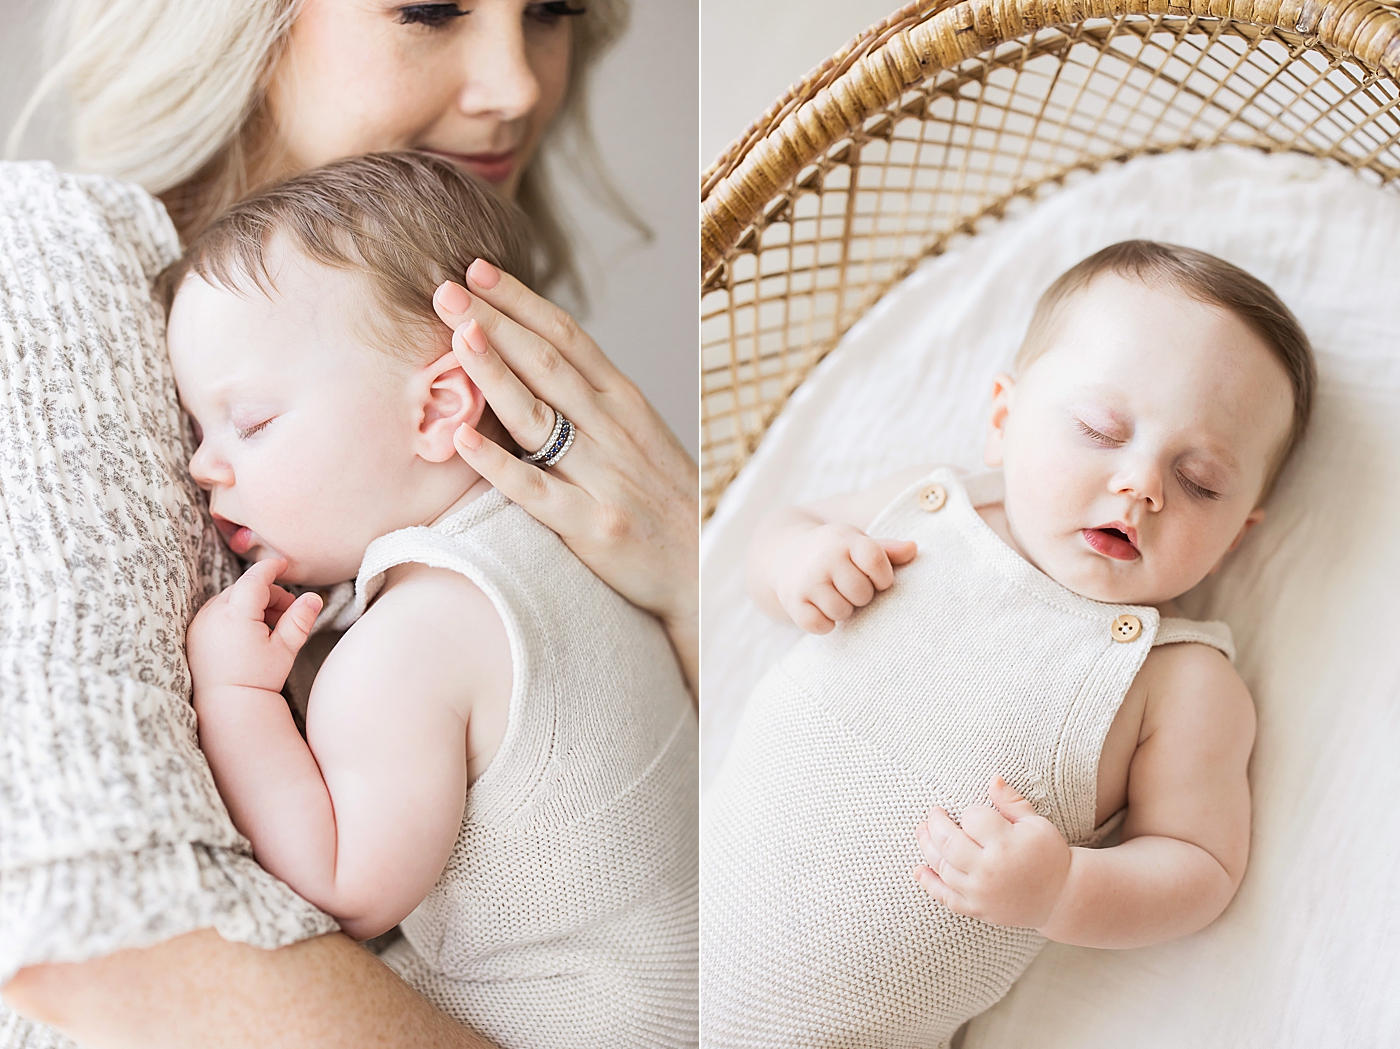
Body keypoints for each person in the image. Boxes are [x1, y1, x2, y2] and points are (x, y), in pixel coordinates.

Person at [0, 2, 696, 1046]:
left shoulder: (466, 522)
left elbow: (350, 883)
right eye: (430, 9)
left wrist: (692, 572)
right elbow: (101, 939)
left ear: (436, 403)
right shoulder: (47, 271)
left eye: (550, 9)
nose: (515, 86)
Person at [700, 241, 1314, 1047]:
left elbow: (1199, 866)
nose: (1142, 484)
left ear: (1237, 538)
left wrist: (1063, 889)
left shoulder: (1178, 681)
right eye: (1100, 429)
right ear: (1002, 420)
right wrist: (796, 564)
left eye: (1200, 480)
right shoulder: (928, 509)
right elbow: (779, 536)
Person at [171, 150, 697, 1048]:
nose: (201, 466)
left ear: (436, 409)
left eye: (251, 422)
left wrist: (235, 696)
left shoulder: (408, 645)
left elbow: (342, 886)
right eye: (196, 428)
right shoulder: (571, 538)